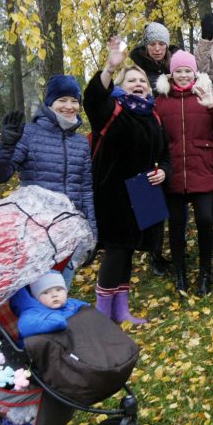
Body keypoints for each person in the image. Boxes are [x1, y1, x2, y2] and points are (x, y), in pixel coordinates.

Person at [84, 37, 171, 325]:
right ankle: (101, 316)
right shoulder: (112, 110)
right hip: (114, 194)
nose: (138, 84)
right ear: (121, 84)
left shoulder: (152, 116)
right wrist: (109, 68)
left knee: (129, 250)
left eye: (142, 81)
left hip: (143, 194)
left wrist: (164, 172)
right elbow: (93, 99)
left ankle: (121, 311)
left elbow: (165, 154)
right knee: (116, 250)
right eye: (131, 79)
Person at [0, 75, 96, 283]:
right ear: (49, 103)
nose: (69, 106)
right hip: (36, 230)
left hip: (70, 230)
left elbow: (85, 189)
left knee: (59, 291)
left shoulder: (81, 142)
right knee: (37, 293)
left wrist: (91, 233)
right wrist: (6, 145)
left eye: (74, 101)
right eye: (62, 100)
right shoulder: (29, 133)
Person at [154, 50, 213, 296]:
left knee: (204, 221)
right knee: (177, 225)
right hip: (174, 172)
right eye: (178, 71)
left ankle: (205, 274)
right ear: (171, 73)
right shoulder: (161, 100)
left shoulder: (205, 95)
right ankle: (180, 274)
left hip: (203, 168)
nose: (182, 75)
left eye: (187, 71)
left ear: (194, 73)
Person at [128, 22, 178, 276]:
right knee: (149, 194)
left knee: (171, 191)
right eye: (153, 44)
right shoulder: (137, 68)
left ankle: (167, 247)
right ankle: (153, 252)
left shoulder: (175, 64)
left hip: (174, 132)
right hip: (147, 130)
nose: (157, 49)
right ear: (146, 46)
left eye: (161, 44)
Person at [10, 271, 89, 339]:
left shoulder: (70, 303)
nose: (54, 295)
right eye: (46, 292)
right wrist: (56, 318)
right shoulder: (31, 313)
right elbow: (25, 327)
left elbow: (87, 309)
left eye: (58, 290)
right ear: (37, 298)